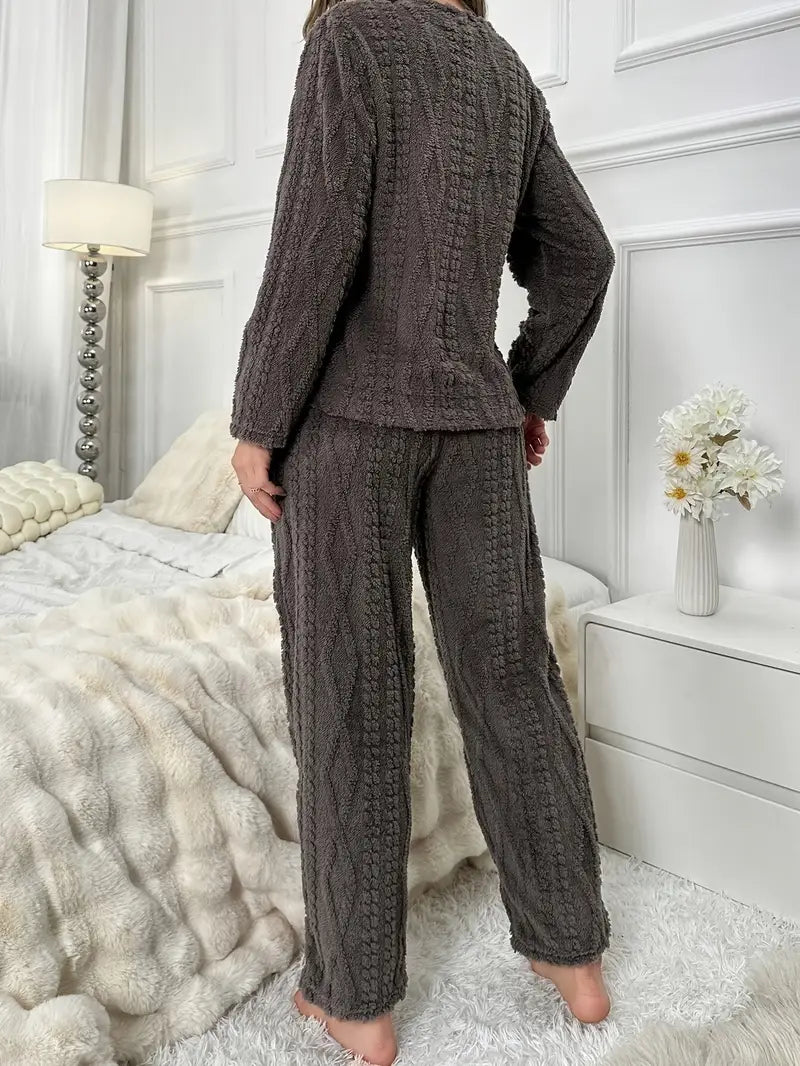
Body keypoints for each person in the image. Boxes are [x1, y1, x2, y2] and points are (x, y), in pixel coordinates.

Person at [229, 0, 616, 1062]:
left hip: (348, 431)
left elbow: (312, 249)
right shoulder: (502, 68)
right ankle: (574, 958)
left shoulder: (350, 37)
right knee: (512, 680)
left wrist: (258, 419)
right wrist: (526, 390)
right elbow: (582, 254)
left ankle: (355, 998)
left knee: (350, 692)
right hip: (476, 430)